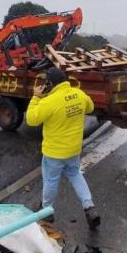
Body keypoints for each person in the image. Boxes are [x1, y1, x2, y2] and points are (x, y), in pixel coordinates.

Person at [25, 67, 101, 229]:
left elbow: (31, 119)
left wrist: (36, 97)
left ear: (51, 84)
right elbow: (90, 108)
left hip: (54, 152)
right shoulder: (79, 94)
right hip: (73, 149)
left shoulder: (49, 101)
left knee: (51, 180)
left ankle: (46, 211)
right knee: (75, 174)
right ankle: (89, 206)